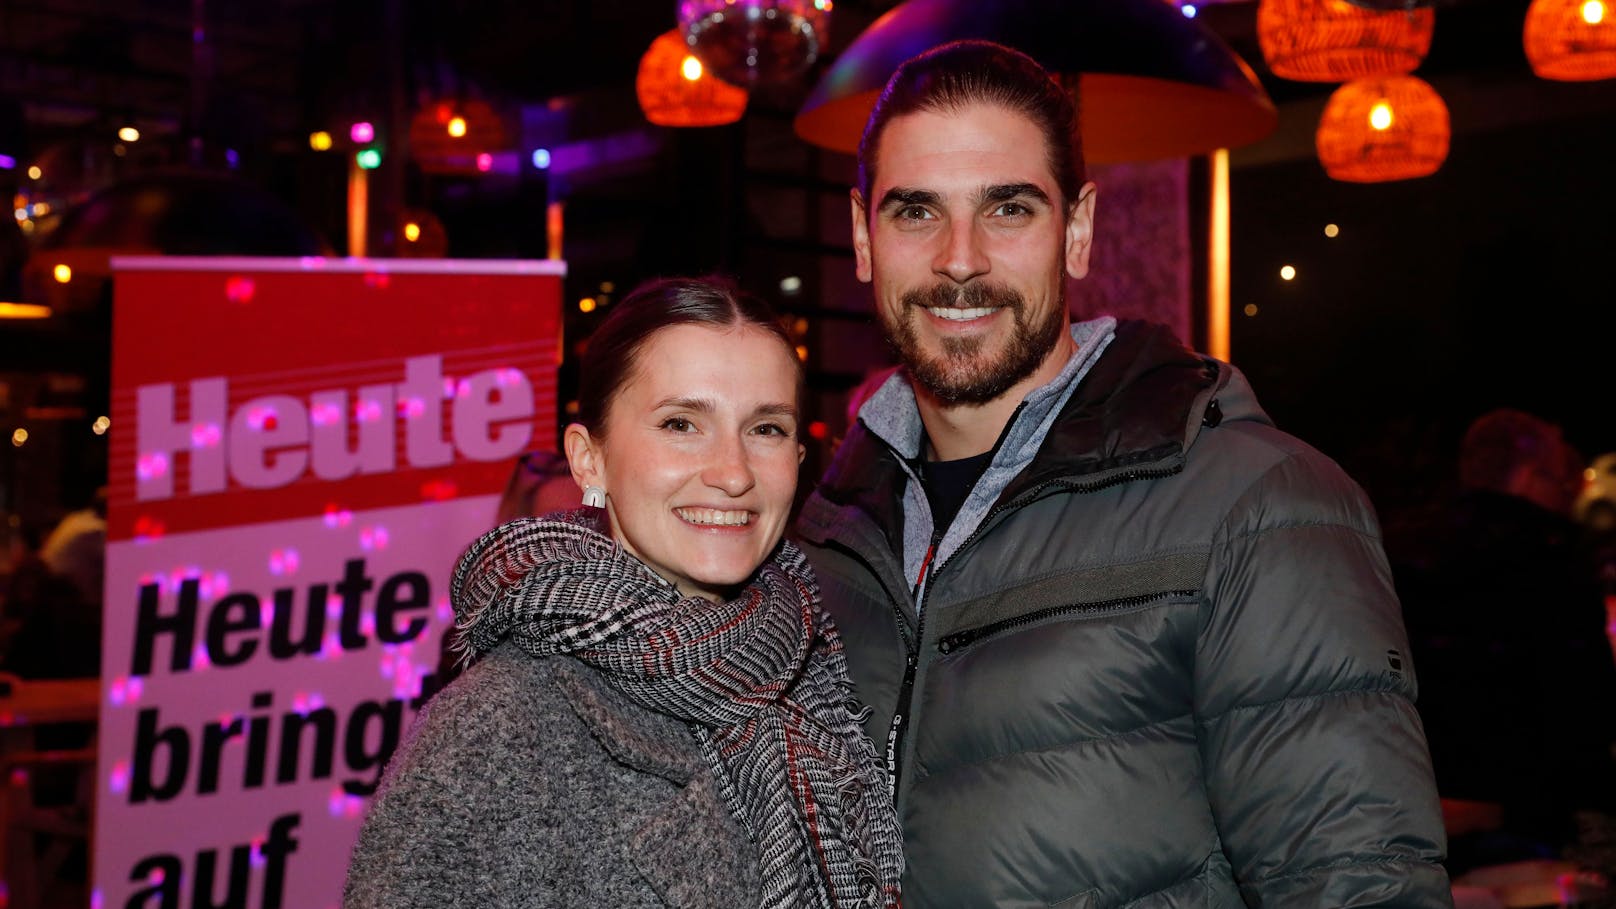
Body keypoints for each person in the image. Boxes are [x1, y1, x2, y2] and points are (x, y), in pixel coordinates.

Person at [793, 40, 1451, 906]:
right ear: (861, 237)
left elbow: (1359, 888)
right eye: (916, 212)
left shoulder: (1256, 507)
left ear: (1077, 231)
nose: (960, 258)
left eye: (1008, 209)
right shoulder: (820, 538)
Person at [343, 276, 903, 908]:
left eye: (765, 429)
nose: (733, 472)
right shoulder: (493, 732)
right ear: (589, 460)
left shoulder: (819, 676)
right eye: (681, 423)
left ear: (801, 455)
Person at [1387, 408, 1616, 877]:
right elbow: (1585, 714)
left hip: (1405, 812)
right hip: (1525, 830)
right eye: (1563, 484)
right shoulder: (1552, 562)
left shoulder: (1402, 547)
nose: (1569, 498)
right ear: (1532, 476)